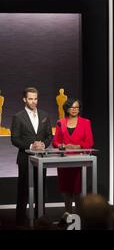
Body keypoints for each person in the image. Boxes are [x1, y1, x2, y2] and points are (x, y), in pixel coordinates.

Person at [10, 87, 52, 226]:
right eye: (30, 99)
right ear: (24, 99)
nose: (33, 101)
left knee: (41, 190)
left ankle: (41, 220)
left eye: (35, 98)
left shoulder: (45, 115)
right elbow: (14, 139)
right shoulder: (18, 116)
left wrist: (43, 145)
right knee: (23, 192)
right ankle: (20, 222)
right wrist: (31, 146)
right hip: (24, 159)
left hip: (41, 158)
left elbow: (49, 136)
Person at [52, 98, 94, 216]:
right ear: (67, 108)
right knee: (66, 189)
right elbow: (55, 142)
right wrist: (62, 146)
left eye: (77, 107)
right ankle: (68, 214)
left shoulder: (86, 122)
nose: (75, 109)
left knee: (77, 190)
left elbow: (90, 142)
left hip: (79, 161)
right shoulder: (60, 122)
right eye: (72, 107)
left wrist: (77, 146)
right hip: (64, 160)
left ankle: (79, 216)